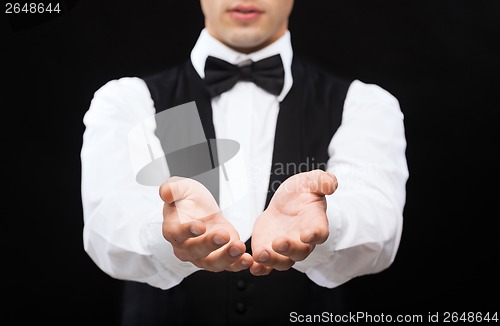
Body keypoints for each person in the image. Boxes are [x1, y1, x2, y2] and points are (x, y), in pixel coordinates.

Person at [80, 0, 409, 325]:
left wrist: (324, 223)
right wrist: (171, 234)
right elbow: (106, 223)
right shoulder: (130, 101)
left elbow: (379, 223)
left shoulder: (363, 105)